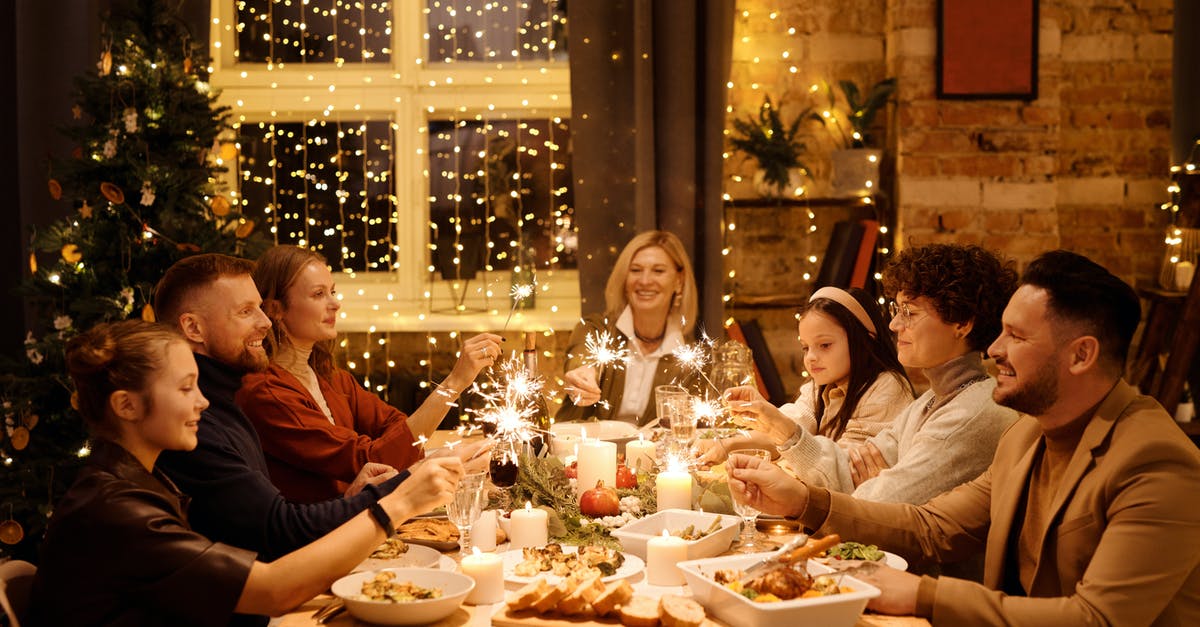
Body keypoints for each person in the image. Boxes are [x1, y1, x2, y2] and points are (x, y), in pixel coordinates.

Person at [728, 250, 1200, 625]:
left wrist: (923, 594)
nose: (994, 349)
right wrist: (800, 499)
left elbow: (1096, 619)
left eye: (1016, 336)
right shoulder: (1028, 437)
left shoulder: (1156, 461)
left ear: (1081, 355)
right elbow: (929, 527)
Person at [28, 320, 463, 627]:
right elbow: (271, 589)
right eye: (185, 388)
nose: (202, 402)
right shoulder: (115, 508)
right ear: (127, 406)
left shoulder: (141, 479)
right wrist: (398, 503)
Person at [151, 254, 486, 567]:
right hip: (298, 570)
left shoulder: (322, 377)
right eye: (245, 311)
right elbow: (277, 535)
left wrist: (363, 490)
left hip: (327, 542)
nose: (264, 321)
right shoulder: (233, 406)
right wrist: (409, 483)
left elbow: (398, 432)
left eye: (333, 291)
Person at [235, 245, 503, 502]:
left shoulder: (328, 375)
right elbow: (370, 456)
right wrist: (455, 382)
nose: (335, 304)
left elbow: (395, 426)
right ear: (275, 310)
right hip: (324, 533)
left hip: (361, 511)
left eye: (333, 291)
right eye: (318, 294)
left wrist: (438, 453)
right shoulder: (267, 393)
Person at [697, 286, 913, 467]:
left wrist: (776, 424)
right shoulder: (818, 387)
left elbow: (845, 468)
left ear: (864, 340)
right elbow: (790, 430)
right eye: (805, 347)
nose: (811, 357)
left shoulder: (887, 388)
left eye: (824, 345)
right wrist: (727, 445)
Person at [556, 230, 701, 425]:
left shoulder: (690, 361)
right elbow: (582, 356)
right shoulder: (596, 329)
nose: (645, 281)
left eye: (658, 271)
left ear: (678, 281)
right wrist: (583, 374)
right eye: (635, 270)